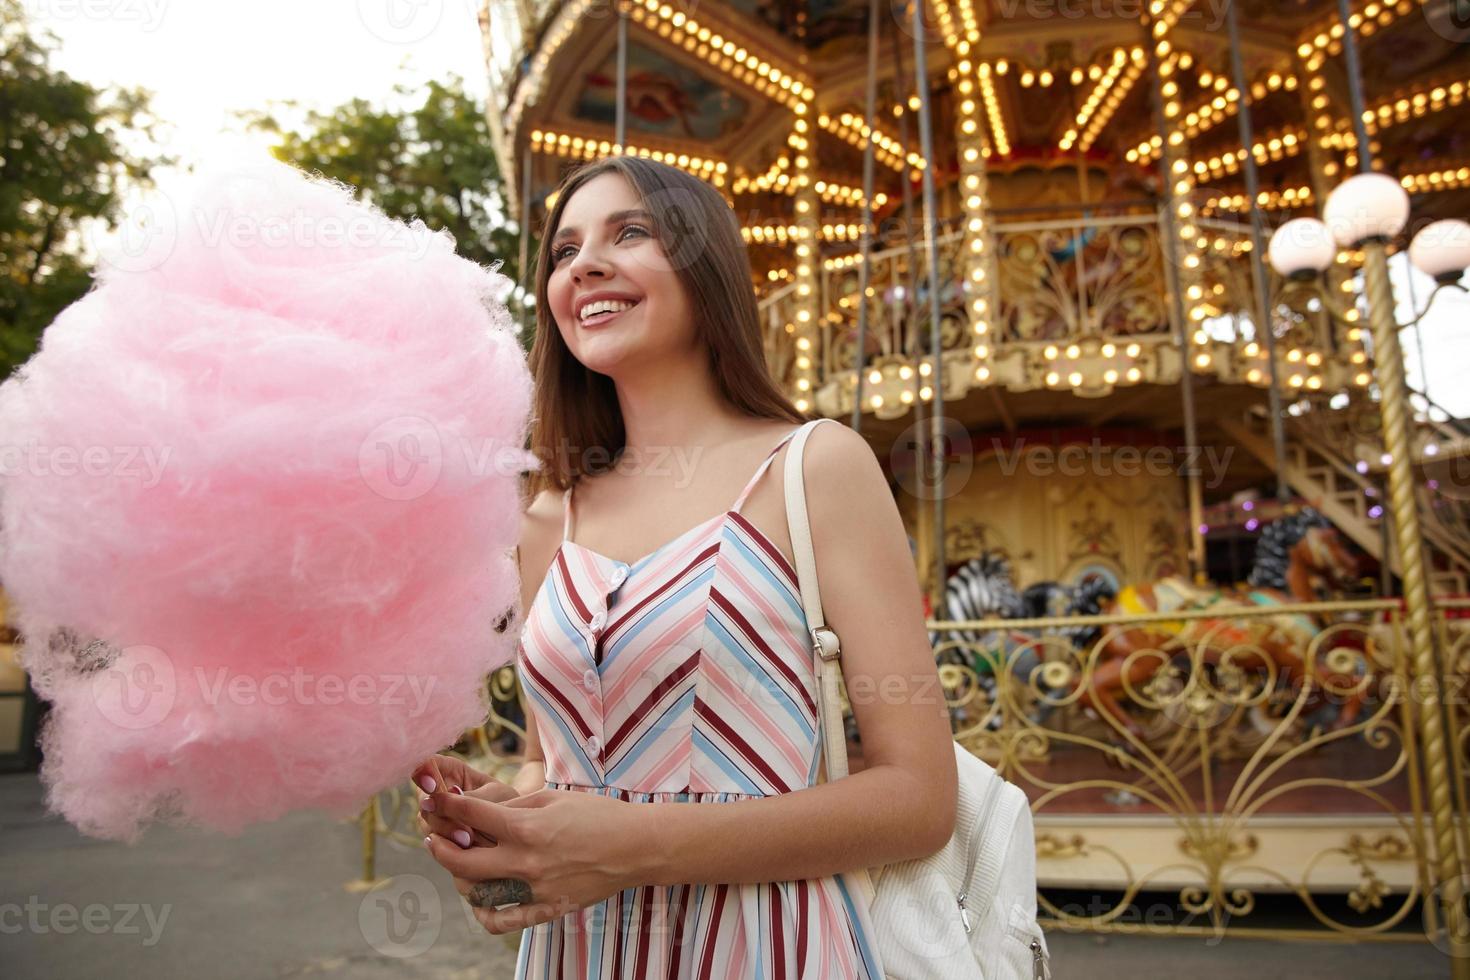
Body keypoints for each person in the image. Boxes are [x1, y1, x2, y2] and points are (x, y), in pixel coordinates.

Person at [412, 154, 956, 978]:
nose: (585, 263)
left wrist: (635, 845)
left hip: (766, 944)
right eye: (563, 252)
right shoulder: (544, 522)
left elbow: (919, 799)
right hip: (580, 950)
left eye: (631, 232)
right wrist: (509, 814)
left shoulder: (811, 469)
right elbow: (548, 756)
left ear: (707, 269)